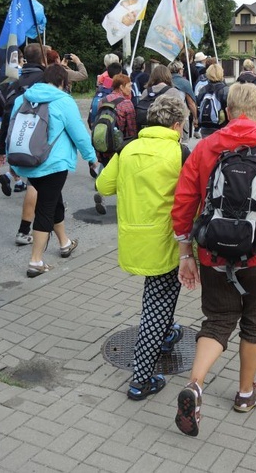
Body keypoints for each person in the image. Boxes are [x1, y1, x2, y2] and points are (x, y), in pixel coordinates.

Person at [171, 82, 256, 437]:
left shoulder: (204, 148)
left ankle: (196, 384)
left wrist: (186, 251)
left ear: (227, 112)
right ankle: (246, 393)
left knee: (217, 319)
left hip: (212, 251)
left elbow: (184, 202)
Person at [96, 95, 190, 401]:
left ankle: (165, 334)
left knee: (161, 296)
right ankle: (140, 379)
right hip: (165, 241)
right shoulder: (178, 151)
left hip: (134, 239)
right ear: (177, 124)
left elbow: (103, 186)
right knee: (155, 305)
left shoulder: (128, 148)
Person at [7, 64, 98, 277]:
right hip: (53, 164)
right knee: (46, 207)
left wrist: (11, 161)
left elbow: (11, 130)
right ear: (63, 82)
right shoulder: (63, 101)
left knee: (54, 200)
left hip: (27, 160)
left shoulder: (23, 99)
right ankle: (36, 261)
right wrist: (92, 159)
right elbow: (79, 134)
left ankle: (64, 243)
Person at [0, 43, 47, 245]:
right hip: (38, 139)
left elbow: (7, 115)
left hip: (16, 137)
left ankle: (57, 219)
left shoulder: (14, 81)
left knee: (46, 186)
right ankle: (24, 230)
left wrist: (2, 148)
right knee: (35, 183)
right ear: (43, 58)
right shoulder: (44, 79)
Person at [92, 73, 138, 215]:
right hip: (118, 145)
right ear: (121, 87)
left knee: (105, 166)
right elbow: (131, 129)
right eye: (129, 86)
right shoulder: (126, 103)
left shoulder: (103, 100)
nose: (131, 89)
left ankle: (101, 191)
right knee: (122, 175)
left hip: (103, 142)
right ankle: (123, 204)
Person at [194, 64, 229, 138]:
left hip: (205, 127)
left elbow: (198, 104)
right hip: (221, 127)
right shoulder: (225, 90)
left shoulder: (203, 89)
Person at [236, 59, 256, 132]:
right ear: (253, 68)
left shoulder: (239, 79)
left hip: (242, 109)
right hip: (255, 108)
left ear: (243, 68)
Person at [168, 60, 197, 135]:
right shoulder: (185, 83)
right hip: (182, 117)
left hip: (167, 116)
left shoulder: (166, 81)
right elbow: (191, 104)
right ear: (180, 70)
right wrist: (195, 117)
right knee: (183, 141)